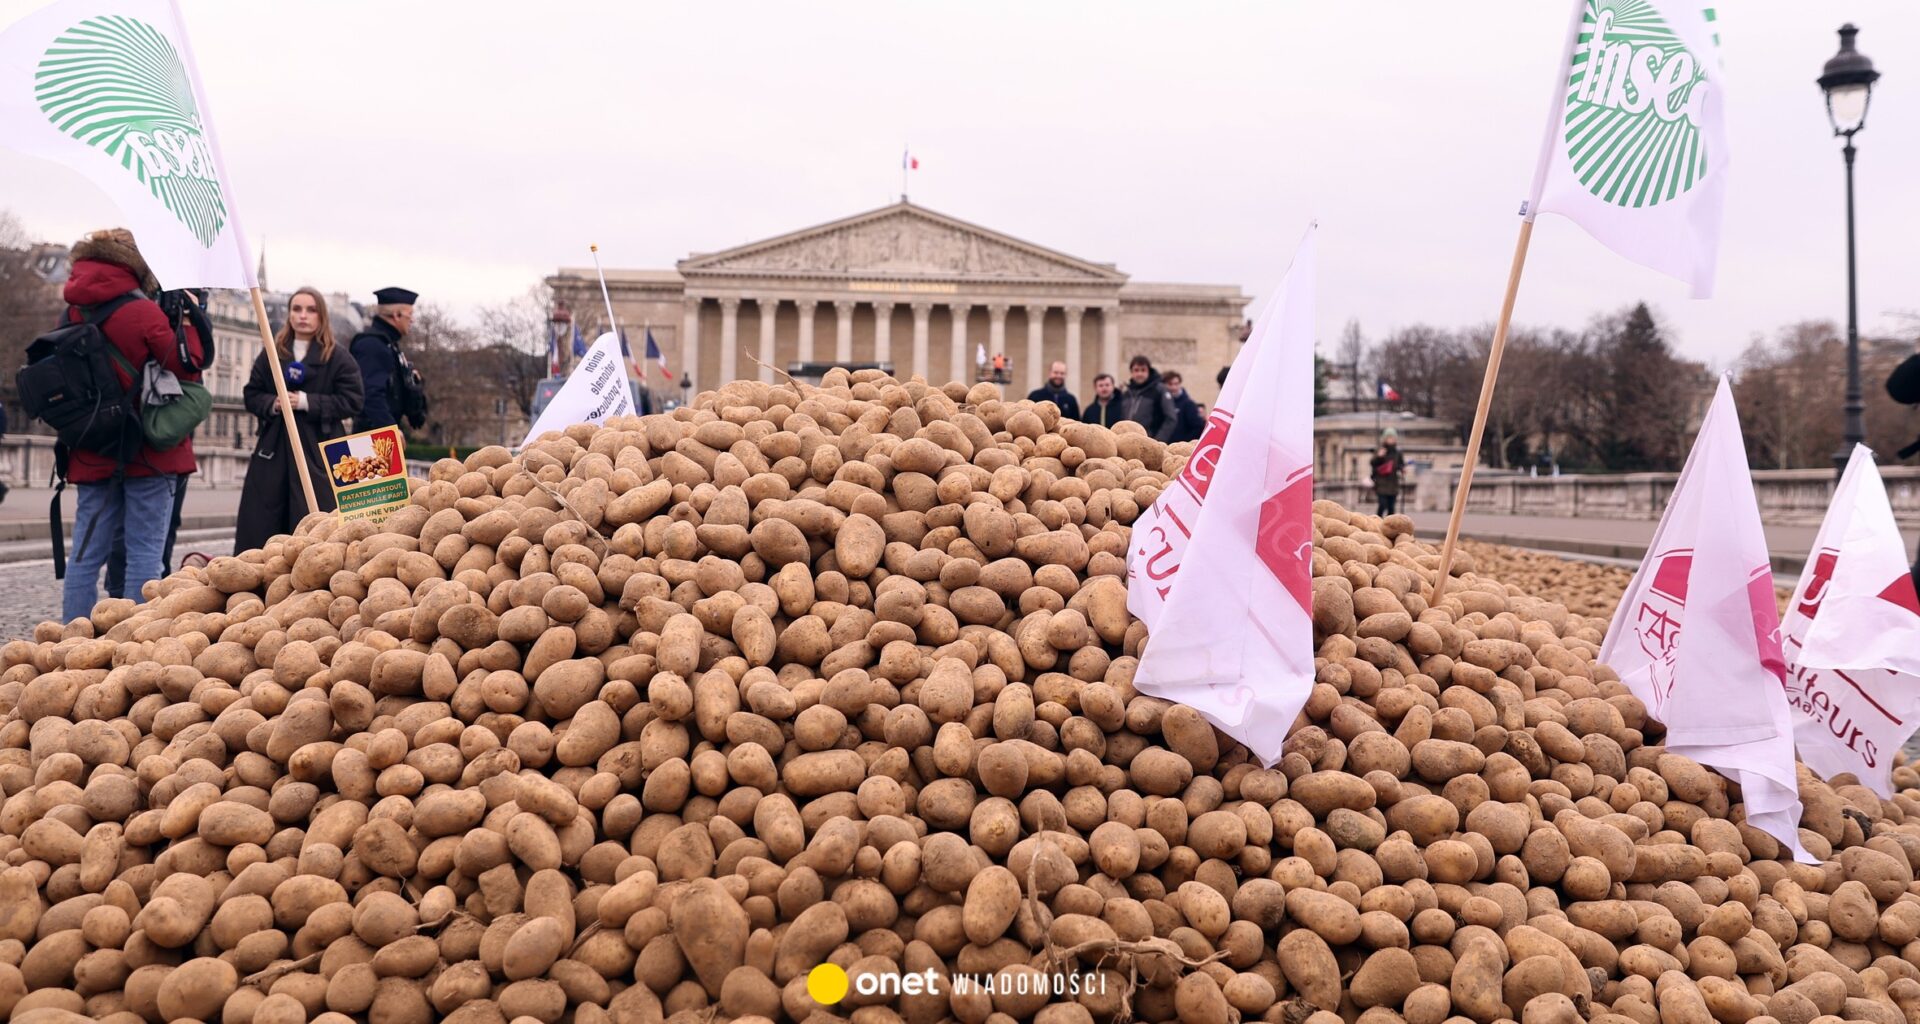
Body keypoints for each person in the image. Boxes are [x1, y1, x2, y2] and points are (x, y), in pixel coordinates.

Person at [57, 229, 204, 622]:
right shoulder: (142, 312)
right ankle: (134, 641)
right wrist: (188, 318)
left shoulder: (73, 309)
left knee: (85, 556)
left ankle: (73, 638)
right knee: (144, 555)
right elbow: (186, 368)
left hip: (92, 445)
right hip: (147, 450)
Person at [235, 287, 365, 554]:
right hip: (274, 450)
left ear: (321, 316)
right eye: (297, 309)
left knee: (318, 520)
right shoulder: (272, 353)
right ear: (289, 314)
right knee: (262, 522)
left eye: (310, 310)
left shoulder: (337, 357)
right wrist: (274, 403)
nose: (303, 316)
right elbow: (252, 394)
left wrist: (307, 402)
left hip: (319, 452)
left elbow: (353, 400)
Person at [105, 287, 213, 596]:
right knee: (132, 535)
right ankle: (124, 595)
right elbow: (181, 364)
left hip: (169, 431)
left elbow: (194, 368)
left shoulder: (190, 312)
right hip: (141, 431)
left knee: (164, 524)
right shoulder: (139, 308)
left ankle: (153, 589)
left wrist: (193, 316)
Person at [350, 286, 416, 432]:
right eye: (410, 314)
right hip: (373, 436)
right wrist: (389, 429)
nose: (412, 320)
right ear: (397, 315)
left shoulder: (387, 344)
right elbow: (370, 395)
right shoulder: (372, 345)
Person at [1112, 354, 1180, 442]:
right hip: (1128, 442)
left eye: (1143, 370)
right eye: (1136, 370)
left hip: (1150, 442)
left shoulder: (1159, 390)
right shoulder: (1127, 392)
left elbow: (1171, 418)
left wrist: (1158, 441)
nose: (1139, 373)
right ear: (1131, 372)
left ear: (1149, 371)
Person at [1162, 370, 1206, 443]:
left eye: (1176, 384)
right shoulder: (1160, 403)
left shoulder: (1188, 404)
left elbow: (1198, 427)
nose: (1174, 387)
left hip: (1180, 446)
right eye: (1170, 384)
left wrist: (1184, 442)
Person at [1370, 428, 1405, 517]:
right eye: (1389, 437)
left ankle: (1390, 524)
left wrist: (1402, 469)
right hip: (1381, 483)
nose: (1391, 440)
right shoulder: (1380, 450)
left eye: (1392, 438)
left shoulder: (1397, 452)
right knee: (1382, 505)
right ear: (1384, 439)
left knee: (1391, 508)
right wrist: (1379, 456)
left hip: (1393, 483)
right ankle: (1377, 522)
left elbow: (1400, 464)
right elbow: (1373, 463)